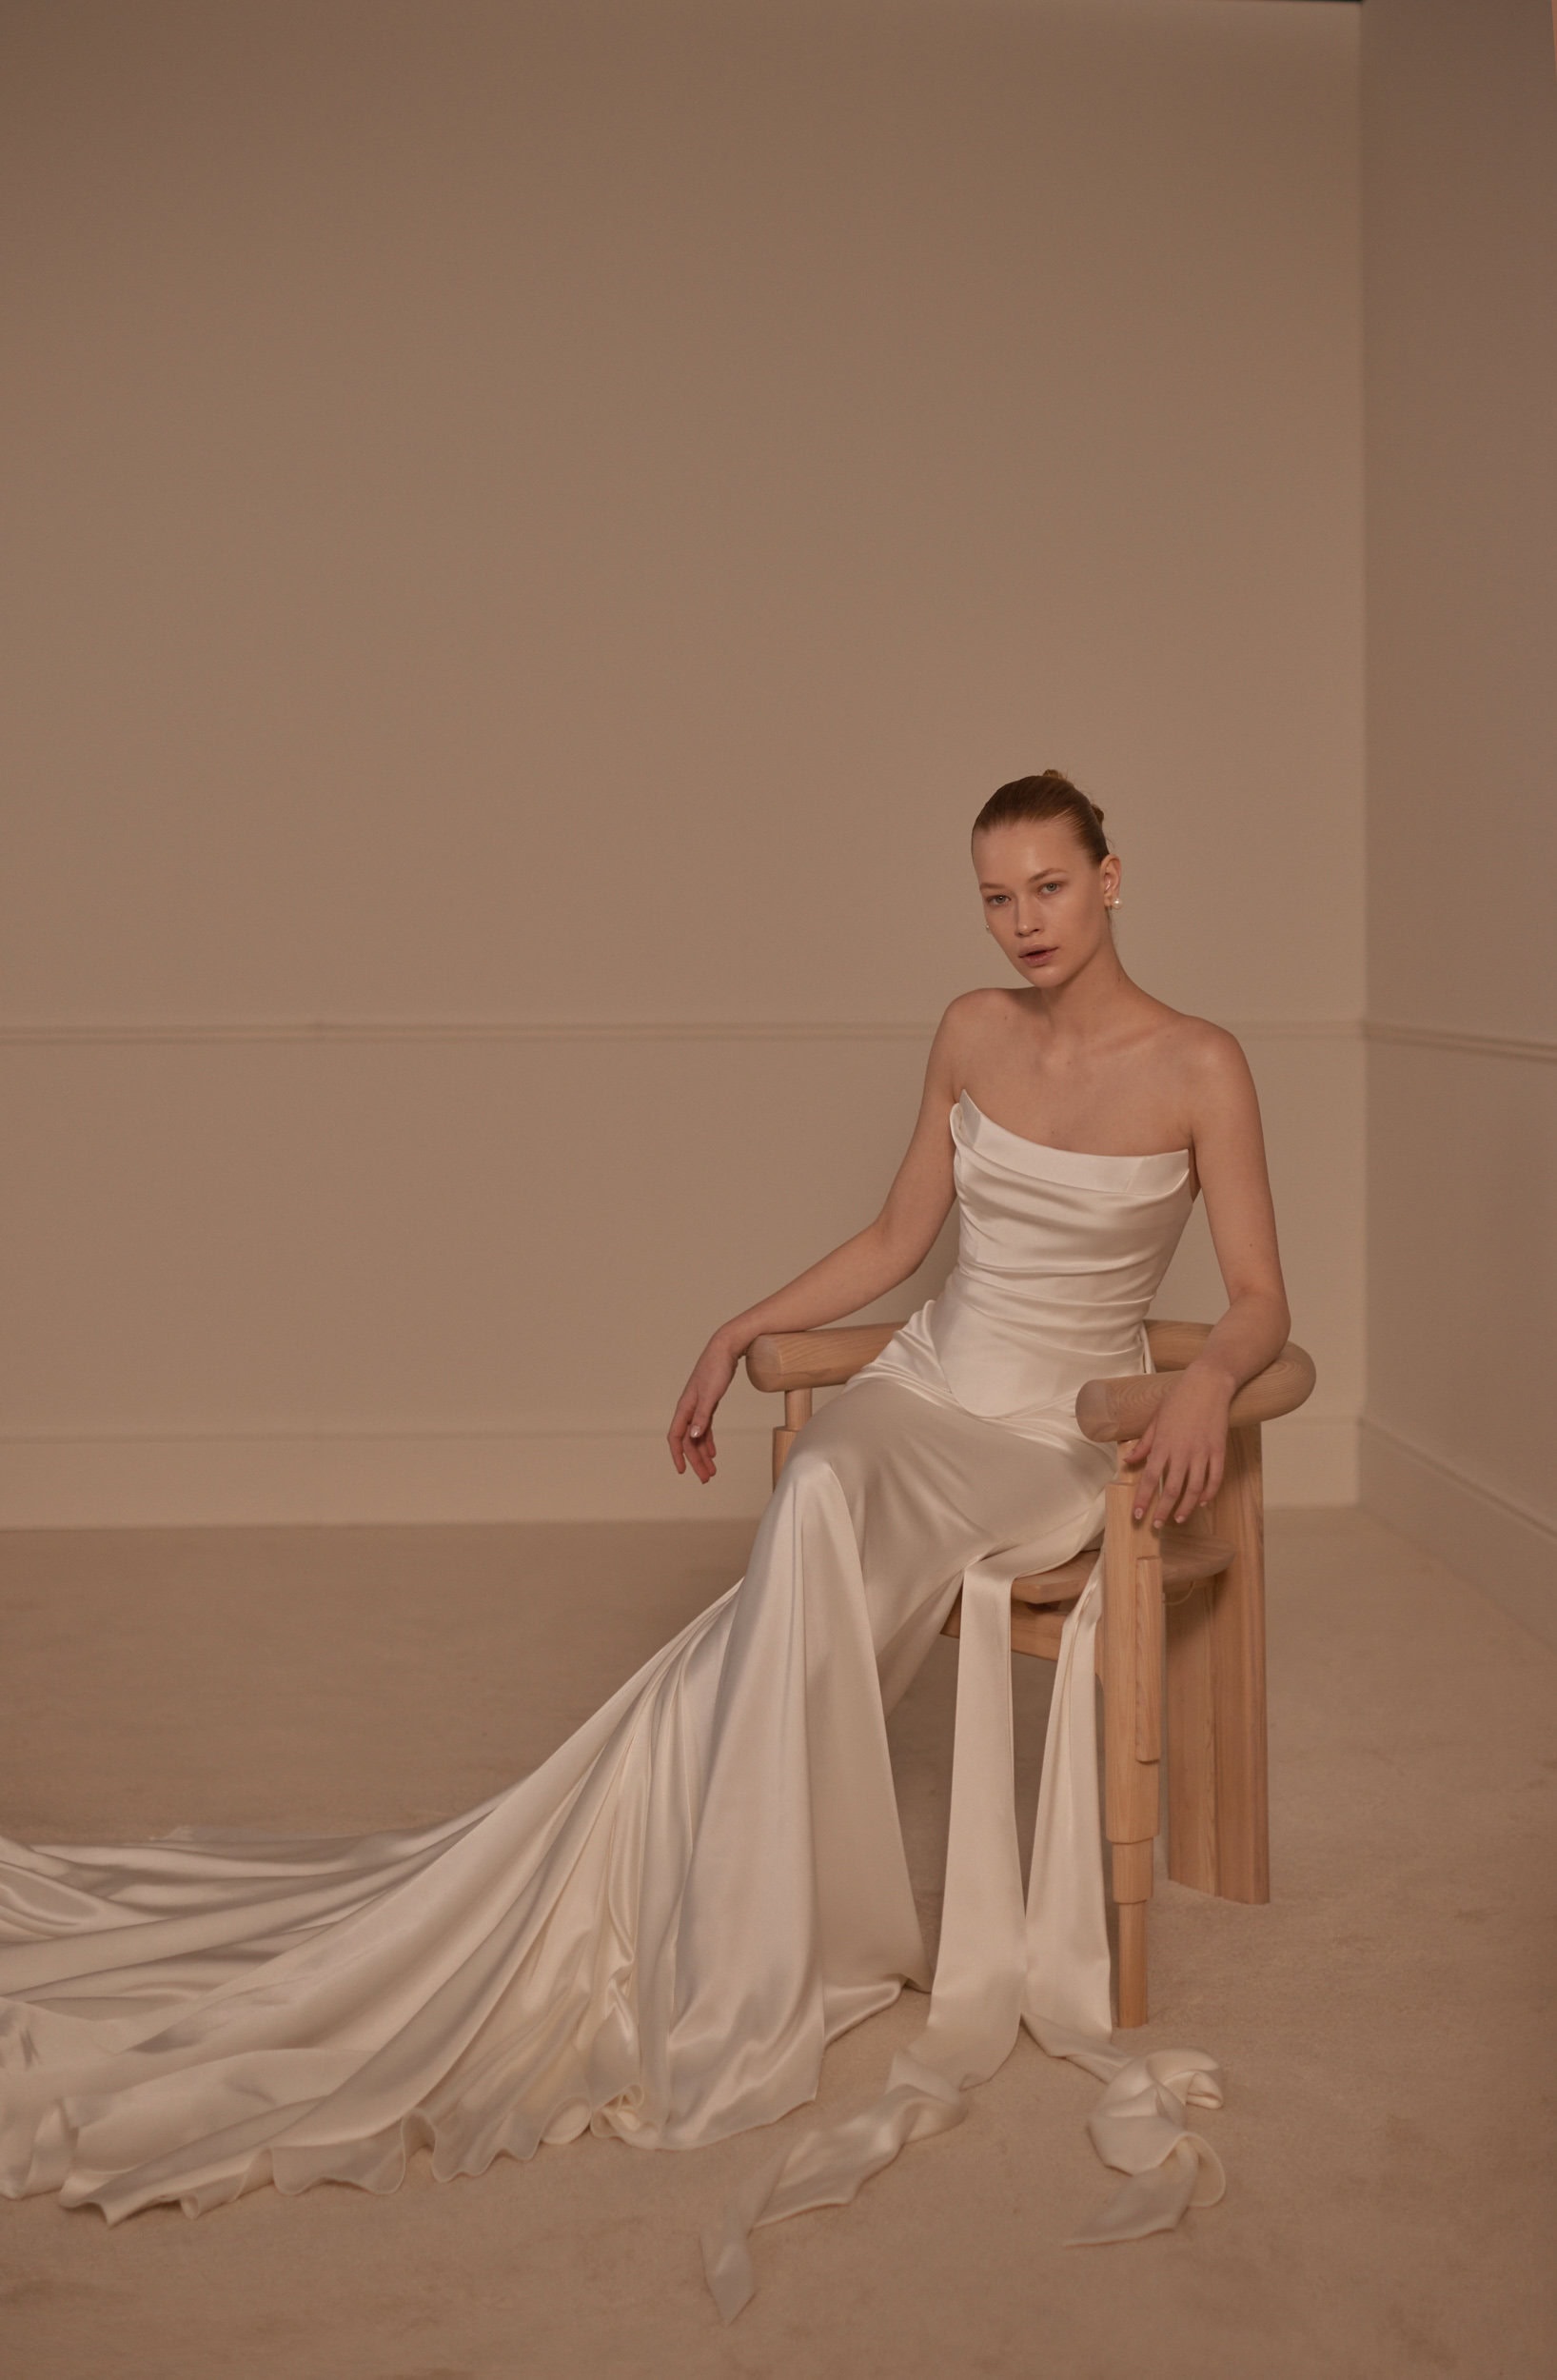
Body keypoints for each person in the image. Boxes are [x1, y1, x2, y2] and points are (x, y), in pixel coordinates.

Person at [0, 769, 1291, 2324]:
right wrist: (740, 1326)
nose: (1024, 921)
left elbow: (1261, 1299)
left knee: (830, 1527)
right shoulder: (969, 1029)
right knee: (816, 1493)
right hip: (926, 1388)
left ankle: (754, 1914)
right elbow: (901, 1243)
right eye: (996, 896)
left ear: (1113, 879)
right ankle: (743, 1923)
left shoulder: (1201, 1064)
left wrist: (1203, 1380)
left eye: (1051, 888)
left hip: (1053, 1435)